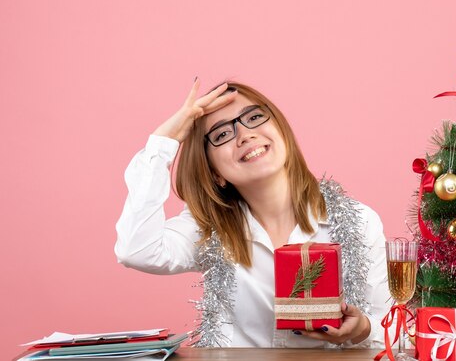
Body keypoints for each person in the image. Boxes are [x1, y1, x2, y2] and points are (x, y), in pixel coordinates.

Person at [115, 80, 390, 348]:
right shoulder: (207, 228)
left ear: (280, 130)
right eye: (222, 135)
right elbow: (136, 250)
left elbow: (390, 330)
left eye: (254, 117)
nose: (245, 134)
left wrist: (363, 329)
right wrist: (164, 141)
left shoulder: (359, 222)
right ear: (215, 173)